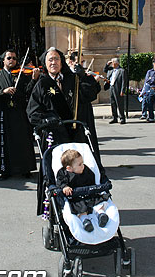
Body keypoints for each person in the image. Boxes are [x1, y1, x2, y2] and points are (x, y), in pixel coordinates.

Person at [27, 47, 104, 215]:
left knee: (80, 170)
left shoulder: (74, 79)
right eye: (50, 60)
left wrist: (83, 76)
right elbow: (32, 112)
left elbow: (91, 93)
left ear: (61, 62)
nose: (53, 62)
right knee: (58, 173)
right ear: (45, 64)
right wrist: (46, 120)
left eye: (56, 59)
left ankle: (86, 205)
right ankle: (57, 210)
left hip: (76, 135)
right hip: (55, 135)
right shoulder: (42, 83)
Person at [0, 49, 38, 180]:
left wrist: (33, 79)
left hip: (19, 113)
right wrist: (2, 91)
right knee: (6, 142)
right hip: (5, 114)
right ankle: (6, 170)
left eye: (14, 58)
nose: (12, 61)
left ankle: (25, 169)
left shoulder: (22, 75)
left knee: (23, 142)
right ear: (3, 60)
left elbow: (28, 91)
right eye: (9, 58)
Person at [56, 149, 110, 231]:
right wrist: (65, 187)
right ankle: (85, 221)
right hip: (75, 197)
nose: (83, 166)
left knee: (98, 202)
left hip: (89, 194)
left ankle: (101, 214)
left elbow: (92, 179)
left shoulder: (86, 170)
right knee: (79, 208)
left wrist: (93, 188)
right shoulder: (63, 173)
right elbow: (60, 182)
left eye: (82, 163)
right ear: (69, 168)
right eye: (80, 164)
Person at [106, 58, 128, 124]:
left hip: (118, 89)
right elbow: (105, 70)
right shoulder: (111, 70)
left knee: (119, 104)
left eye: (113, 62)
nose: (112, 64)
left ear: (117, 63)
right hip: (112, 87)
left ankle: (122, 118)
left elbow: (124, 81)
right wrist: (107, 64)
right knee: (113, 103)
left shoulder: (122, 71)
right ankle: (114, 118)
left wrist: (122, 90)